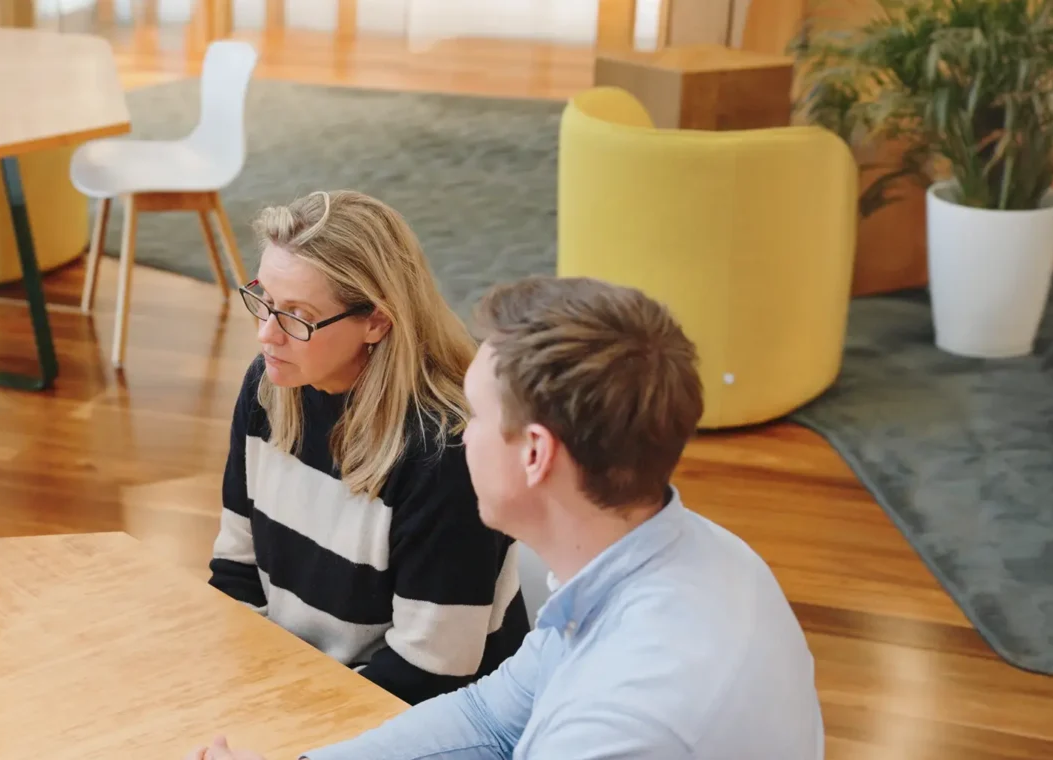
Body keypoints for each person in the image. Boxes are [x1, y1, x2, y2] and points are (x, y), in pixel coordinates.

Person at [190, 276, 824, 760]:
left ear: (536, 453)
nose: (463, 436)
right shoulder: (675, 555)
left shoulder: (625, 724)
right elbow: (489, 718)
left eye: (479, 416)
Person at [210, 190, 530, 707]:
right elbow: (235, 571)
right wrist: (248, 689)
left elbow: (430, 672)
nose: (266, 334)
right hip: (296, 691)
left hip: (418, 719)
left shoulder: (443, 453)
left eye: (297, 315)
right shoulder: (268, 387)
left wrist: (287, 715)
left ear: (376, 322)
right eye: (264, 298)